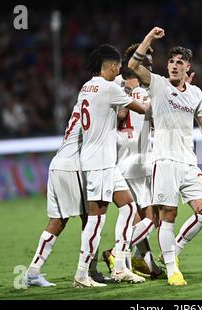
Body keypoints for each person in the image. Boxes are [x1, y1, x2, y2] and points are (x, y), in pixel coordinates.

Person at [128, 27, 202, 286]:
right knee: (168, 215)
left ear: (188, 68)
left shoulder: (195, 93)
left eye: (179, 63)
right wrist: (149, 37)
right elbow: (132, 64)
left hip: (188, 161)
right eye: (171, 61)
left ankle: (171, 249)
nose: (173, 66)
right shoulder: (158, 84)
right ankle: (173, 270)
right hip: (163, 160)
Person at [73, 44, 149, 287]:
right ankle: (82, 274)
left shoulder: (87, 86)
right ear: (114, 66)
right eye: (118, 68)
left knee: (128, 207)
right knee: (97, 219)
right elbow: (142, 109)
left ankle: (119, 267)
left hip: (105, 161)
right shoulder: (108, 89)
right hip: (99, 163)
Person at [23, 97, 107, 288]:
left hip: (58, 163)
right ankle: (88, 272)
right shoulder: (96, 108)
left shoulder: (81, 106)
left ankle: (33, 272)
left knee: (59, 221)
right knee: (91, 218)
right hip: (72, 167)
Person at [100, 44, 164, 279]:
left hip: (123, 160)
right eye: (146, 59)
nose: (150, 64)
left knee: (137, 218)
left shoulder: (113, 85)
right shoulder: (150, 87)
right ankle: (118, 253)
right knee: (154, 217)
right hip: (137, 161)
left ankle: (147, 264)